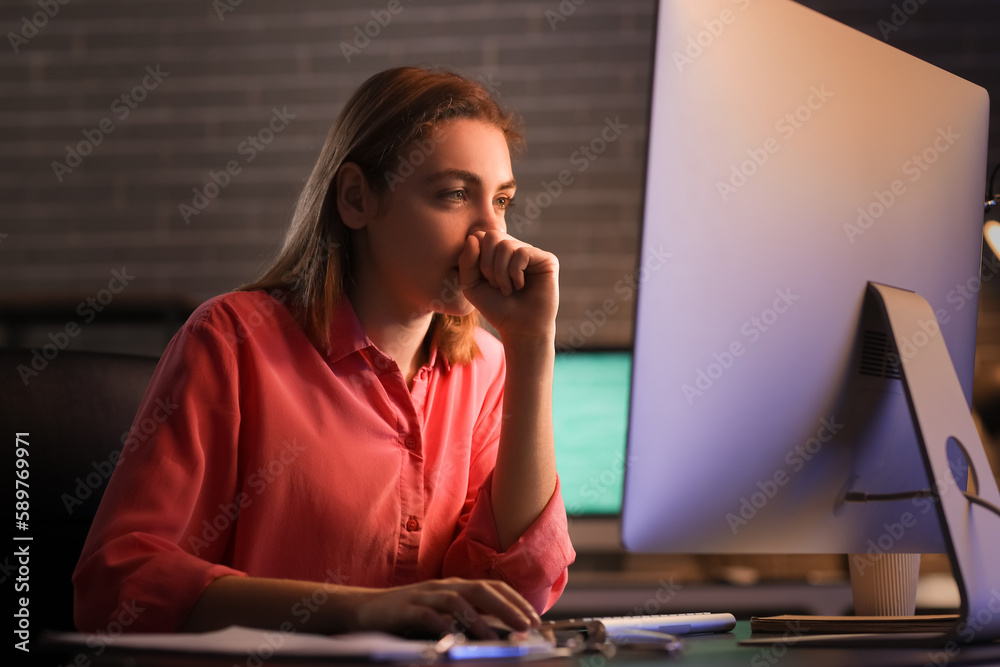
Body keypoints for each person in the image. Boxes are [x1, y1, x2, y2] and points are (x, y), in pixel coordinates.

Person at [72, 67, 576, 638]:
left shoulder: (486, 369)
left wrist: (533, 345)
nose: (491, 235)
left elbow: (517, 593)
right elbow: (120, 587)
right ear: (357, 199)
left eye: (503, 200)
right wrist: (354, 610)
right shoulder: (231, 340)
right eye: (455, 195)